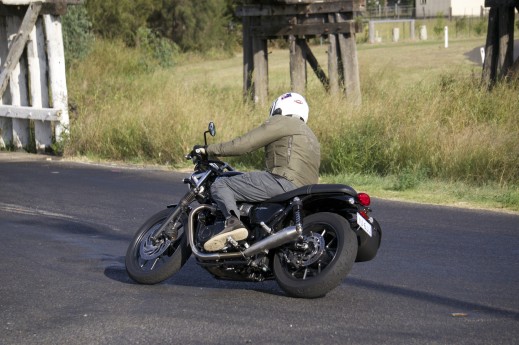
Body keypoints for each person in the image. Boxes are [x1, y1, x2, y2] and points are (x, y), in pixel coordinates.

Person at [194, 92, 320, 252]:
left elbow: (244, 144)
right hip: (303, 191)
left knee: (222, 184)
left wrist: (208, 149)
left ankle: (233, 223)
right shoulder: (311, 135)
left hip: (282, 181)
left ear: (279, 108)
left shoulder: (282, 122)